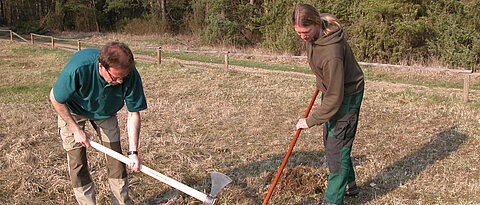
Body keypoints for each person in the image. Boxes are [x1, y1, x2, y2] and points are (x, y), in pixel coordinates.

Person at [49, 41, 147, 205]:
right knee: (77, 161)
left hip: (106, 112)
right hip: (73, 110)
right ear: (101, 67)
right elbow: (55, 98)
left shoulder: (129, 74)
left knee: (116, 160)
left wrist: (133, 152)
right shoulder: (79, 68)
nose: (121, 82)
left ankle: (121, 202)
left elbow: (133, 113)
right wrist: (75, 129)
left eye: (124, 77)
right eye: (116, 78)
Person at [292, 3, 365, 205]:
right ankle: (349, 185)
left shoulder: (332, 51)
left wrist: (311, 120)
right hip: (333, 89)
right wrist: (321, 81)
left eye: (305, 32)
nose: (303, 37)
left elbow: (335, 96)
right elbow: (322, 69)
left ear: (316, 23)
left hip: (346, 94)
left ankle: (333, 200)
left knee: (337, 146)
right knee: (331, 140)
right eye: (298, 33)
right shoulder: (316, 33)